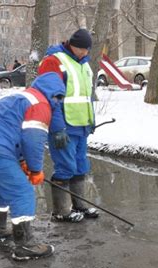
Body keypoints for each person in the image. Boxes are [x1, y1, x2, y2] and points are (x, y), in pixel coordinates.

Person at [0, 72, 65, 261]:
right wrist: (35, 169)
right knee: (22, 191)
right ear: (53, 94)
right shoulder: (41, 105)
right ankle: (25, 244)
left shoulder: (20, 97)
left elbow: (10, 130)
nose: (58, 103)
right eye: (58, 98)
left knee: (0, 189)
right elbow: (33, 140)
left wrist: (21, 162)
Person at [37, 28, 98, 223]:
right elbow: (50, 98)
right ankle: (62, 211)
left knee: (81, 166)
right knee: (66, 166)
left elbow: (87, 97)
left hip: (81, 124)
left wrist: (91, 120)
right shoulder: (54, 61)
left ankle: (80, 205)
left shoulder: (84, 65)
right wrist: (56, 128)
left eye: (88, 49)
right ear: (73, 45)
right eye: (83, 49)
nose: (86, 53)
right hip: (64, 125)